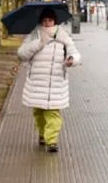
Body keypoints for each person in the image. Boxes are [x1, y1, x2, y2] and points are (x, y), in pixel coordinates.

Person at [17, 8, 81, 152]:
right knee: (39, 113)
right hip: (37, 82)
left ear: (55, 21)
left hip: (56, 82)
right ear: (41, 21)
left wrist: (72, 60)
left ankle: (51, 141)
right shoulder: (34, 35)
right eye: (44, 21)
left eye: (50, 20)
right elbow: (21, 54)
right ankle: (42, 134)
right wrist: (39, 43)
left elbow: (74, 52)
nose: (47, 23)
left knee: (53, 113)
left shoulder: (63, 36)